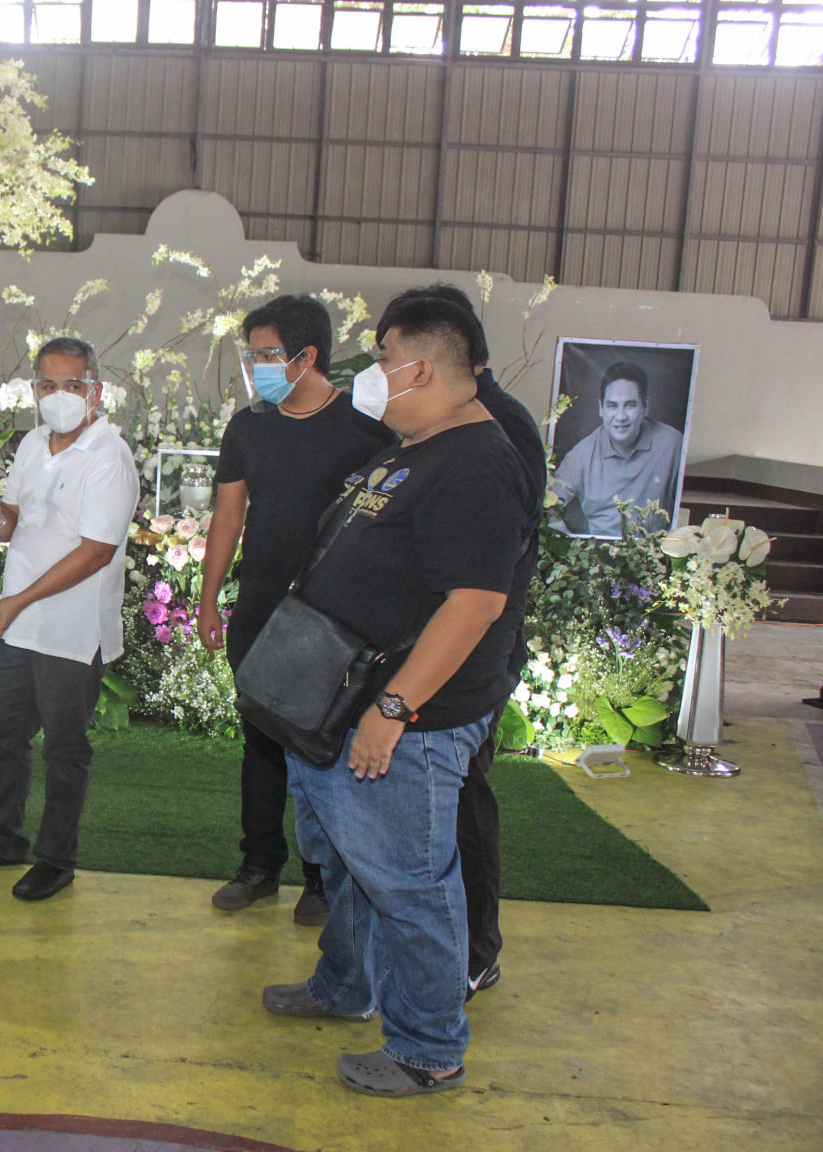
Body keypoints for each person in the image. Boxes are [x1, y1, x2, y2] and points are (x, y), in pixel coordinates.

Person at [261, 296, 527, 1097]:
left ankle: (428, 1048)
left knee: (410, 884)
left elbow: (473, 603)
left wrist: (394, 708)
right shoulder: (413, 446)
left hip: (403, 719)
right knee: (347, 864)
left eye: (382, 361)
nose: (373, 376)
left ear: (421, 368)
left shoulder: (479, 463)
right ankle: (346, 985)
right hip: (332, 701)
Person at [196, 296, 395, 921]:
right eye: (252, 355)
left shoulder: (367, 431)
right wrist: (208, 601)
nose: (257, 367)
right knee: (260, 742)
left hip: (330, 620)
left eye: (268, 355)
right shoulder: (248, 427)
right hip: (259, 611)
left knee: (321, 747)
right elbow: (228, 517)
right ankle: (259, 864)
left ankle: (321, 876)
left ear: (308, 357)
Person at [381, 283, 548, 1003]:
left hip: (463, 663)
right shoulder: (448, 424)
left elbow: (478, 592)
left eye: (388, 354)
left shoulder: (492, 435)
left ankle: (474, 951)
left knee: (457, 804)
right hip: (429, 652)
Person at [0, 336, 140, 901]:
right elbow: (19, 521)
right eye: (48, 385)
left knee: (64, 750)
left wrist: (20, 600)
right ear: (34, 391)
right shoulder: (32, 443)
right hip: (17, 622)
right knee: (4, 739)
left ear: (96, 391)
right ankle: (2, 839)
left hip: (70, 631)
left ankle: (56, 859)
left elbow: (96, 550)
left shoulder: (108, 457)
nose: (60, 396)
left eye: (73, 385)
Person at [551, 362, 684, 537]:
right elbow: (546, 509)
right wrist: (569, 547)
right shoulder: (580, 456)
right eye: (612, 406)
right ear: (601, 409)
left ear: (645, 407)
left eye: (630, 405)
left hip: (654, 557)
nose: (621, 417)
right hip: (597, 558)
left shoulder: (672, 444)